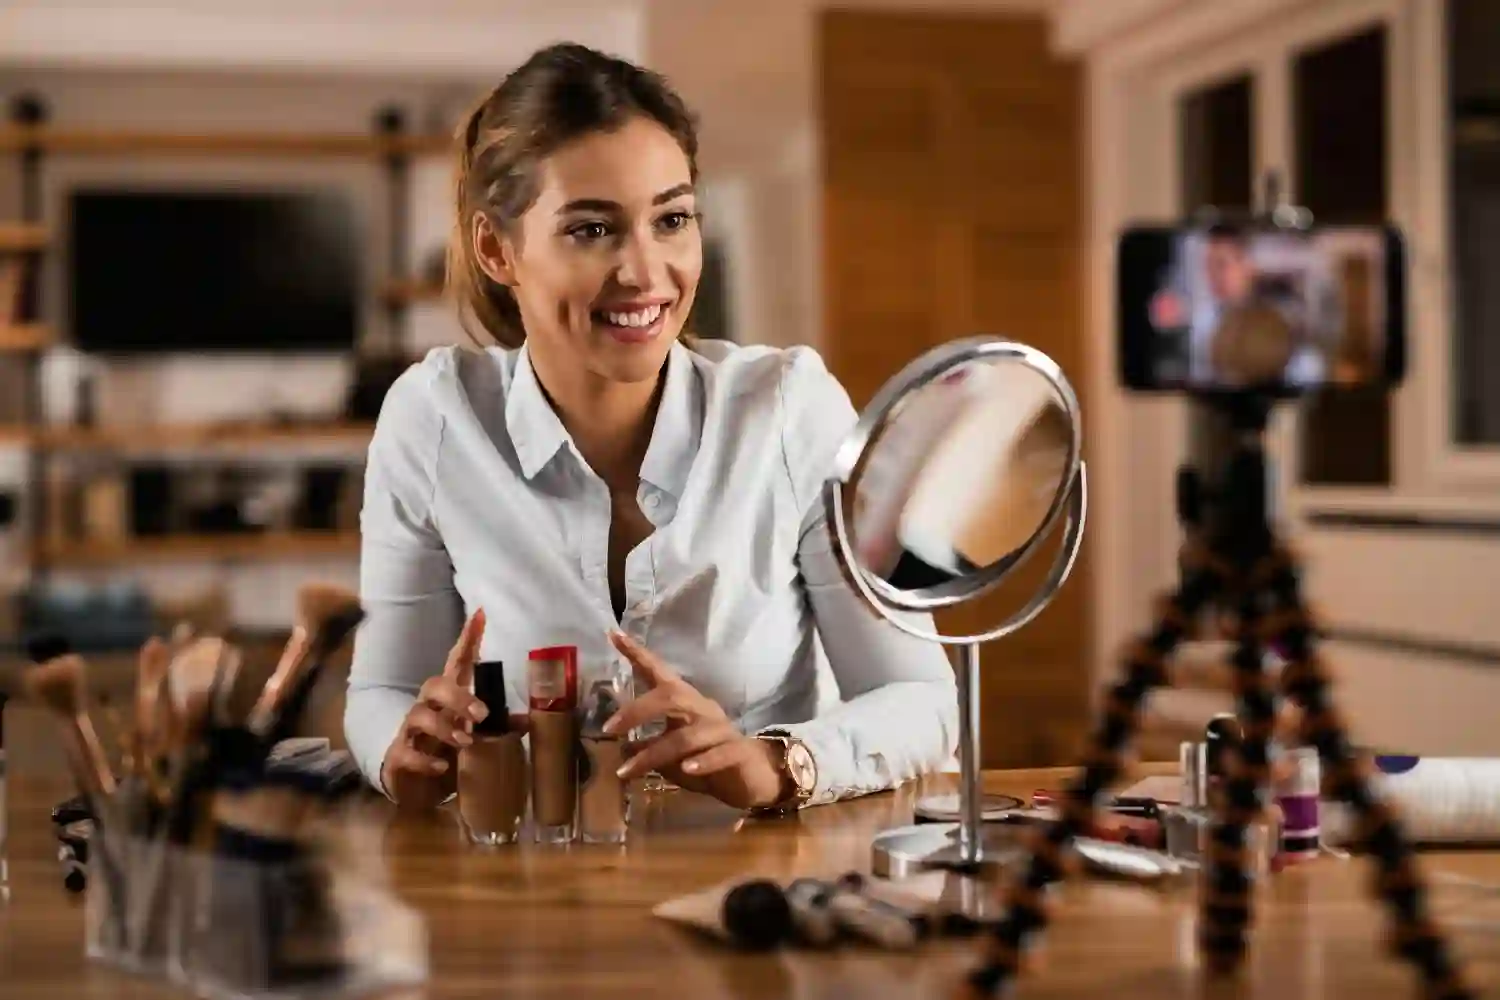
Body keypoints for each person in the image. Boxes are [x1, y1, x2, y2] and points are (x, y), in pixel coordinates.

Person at [345, 43, 959, 814]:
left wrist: (776, 765)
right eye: (592, 229)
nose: (645, 271)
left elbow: (923, 698)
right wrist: (400, 750)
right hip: (539, 895)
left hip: (759, 893)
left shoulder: (787, 408)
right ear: (497, 248)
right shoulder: (433, 416)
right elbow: (381, 693)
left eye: (672, 219)